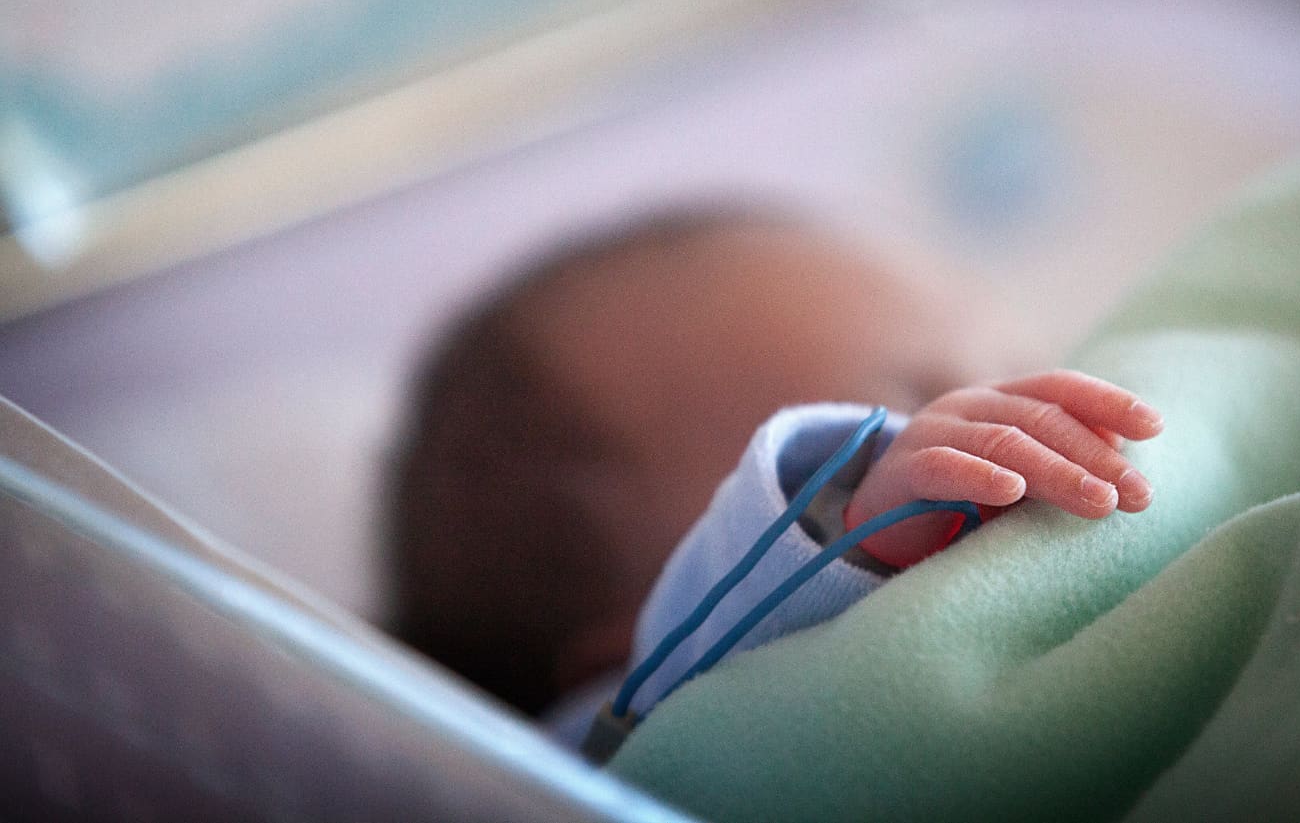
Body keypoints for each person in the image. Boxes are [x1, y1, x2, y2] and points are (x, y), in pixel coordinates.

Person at [384, 204, 1161, 746]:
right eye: (877, 436)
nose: (1036, 418)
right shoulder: (617, 753)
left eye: (1028, 363)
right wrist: (865, 542)